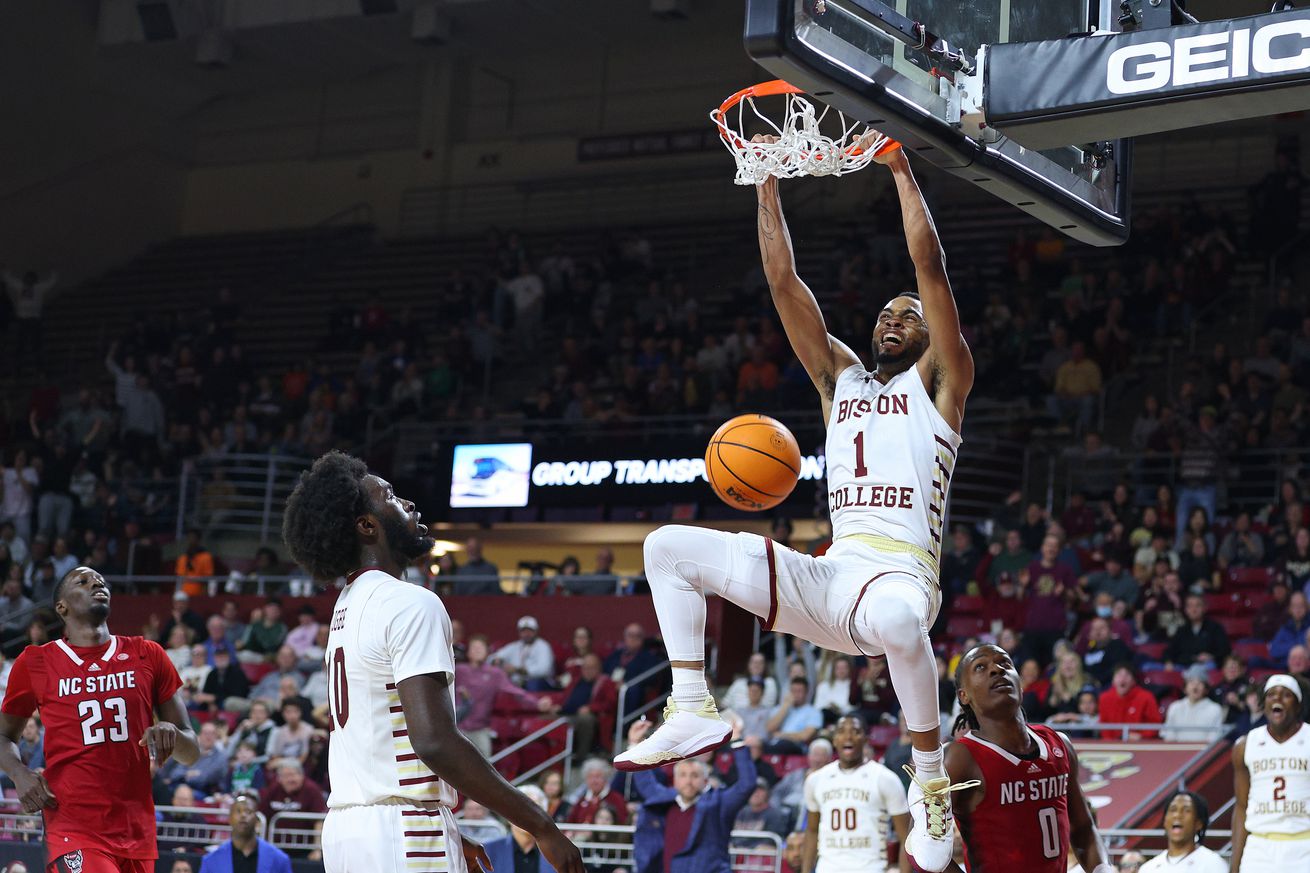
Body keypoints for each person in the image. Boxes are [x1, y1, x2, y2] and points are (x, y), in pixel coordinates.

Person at [617, 145, 974, 873]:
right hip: (832, 575)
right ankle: (691, 704)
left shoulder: (943, 382)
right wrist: (765, 183)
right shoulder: (839, 379)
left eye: (907, 314)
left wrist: (902, 172)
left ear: (934, 337)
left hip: (901, 578)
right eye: (884, 313)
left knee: (903, 621)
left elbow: (931, 268)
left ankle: (931, 780)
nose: (892, 319)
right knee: (665, 548)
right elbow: (782, 281)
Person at [280, 450, 582, 873]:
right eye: (389, 496)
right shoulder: (410, 602)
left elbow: (381, 739)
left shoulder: (345, 607)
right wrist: (541, 826)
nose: (408, 504)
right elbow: (434, 741)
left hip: (349, 830)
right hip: (402, 830)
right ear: (367, 526)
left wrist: (452, 831)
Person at [0, 566, 200, 873]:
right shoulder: (36, 662)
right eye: (83, 581)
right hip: (72, 825)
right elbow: (3, 736)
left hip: (135, 828)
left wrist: (173, 733)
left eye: (100, 580)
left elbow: (192, 751)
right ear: (61, 607)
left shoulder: (148, 654)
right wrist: (18, 772)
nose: (96, 582)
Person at [945, 644, 1112, 873]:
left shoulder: (1059, 744)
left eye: (1005, 663)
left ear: (1020, 684)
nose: (996, 669)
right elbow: (921, 850)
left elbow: (1083, 829)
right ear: (963, 695)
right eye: (981, 667)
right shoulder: (960, 757)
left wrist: (1104, 870)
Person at [631, 719, 755, 873]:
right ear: (675, 781)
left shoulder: (719, 803)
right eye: (683, 775)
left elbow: (747, 785)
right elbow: (645, 782)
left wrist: (737, 740)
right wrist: (635, 744)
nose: (688, 781)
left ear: (705, 781)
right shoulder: (664, 800)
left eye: (694, 775)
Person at [802, 714, 910, 873]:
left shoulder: (885, 778)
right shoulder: (816, 780)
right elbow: (811, 831)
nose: (848, 736)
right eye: (841, 731)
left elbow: (905, 839)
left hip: (871, 868)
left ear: (866, 739)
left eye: (855, 731)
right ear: (834, 739)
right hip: (827, 868)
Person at [1230, 674, 1310, 872]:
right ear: (1263, 703)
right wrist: (1235, 865)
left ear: (1298, 705)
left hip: (1303, 843)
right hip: (1259, 846)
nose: (1277, 699)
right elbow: (1241, 807)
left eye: (1286, 695)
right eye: (1271, 695)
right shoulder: (1245, 745)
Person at [198, 793, 293, 873]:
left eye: (248, 811)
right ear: (229, 819)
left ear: (257, 820)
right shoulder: (211, 860)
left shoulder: (279, 859)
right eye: (238, 811)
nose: (243, 815)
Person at [1138, 790, 1225, 872]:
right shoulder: (1148, 868)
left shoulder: (1213, 863)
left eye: (1186, 810)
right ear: (1164, 821)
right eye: (1173, 810)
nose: (1177, 815)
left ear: (1199, 823)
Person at [483, 785, 557, 873]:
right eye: (521, 809)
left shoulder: (558, 854)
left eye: (534, 810)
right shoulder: (488, 851)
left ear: (545, 816)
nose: (527, 816)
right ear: (507, 814)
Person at [1097, 665, 1162, 740]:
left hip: (1139, 744)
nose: (1122, 679)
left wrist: (1141, 736)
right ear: (1113, 680)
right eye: (1119, 675)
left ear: (1134, 681)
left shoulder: (1146, 697)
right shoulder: (1104, 698)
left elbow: (1155, 724)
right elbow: (1104, 725)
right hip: (1112, 746)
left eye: (1127, 675)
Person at [491, 616, 556, 690]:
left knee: (532, 684)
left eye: (530, 631)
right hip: (518, 683)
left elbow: (544, 670)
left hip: (539, 683)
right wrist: (498, 661)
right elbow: (492, 658)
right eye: (523, 631)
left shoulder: (543, 646)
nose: (527, 634)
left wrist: (517, 670)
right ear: (519, 632)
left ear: (536, 631)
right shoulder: (514, 646)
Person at [1161, 668, 1224, 742]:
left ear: (1206, 689)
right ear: (1185, 688)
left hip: (1205, 752)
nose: (1195, 687)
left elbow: (1213, 739)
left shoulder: (1215, 709)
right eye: (1191, 683)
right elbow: (1169, 736)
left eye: (1199, 683)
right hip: (1177, 751)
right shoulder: (1175, 707)